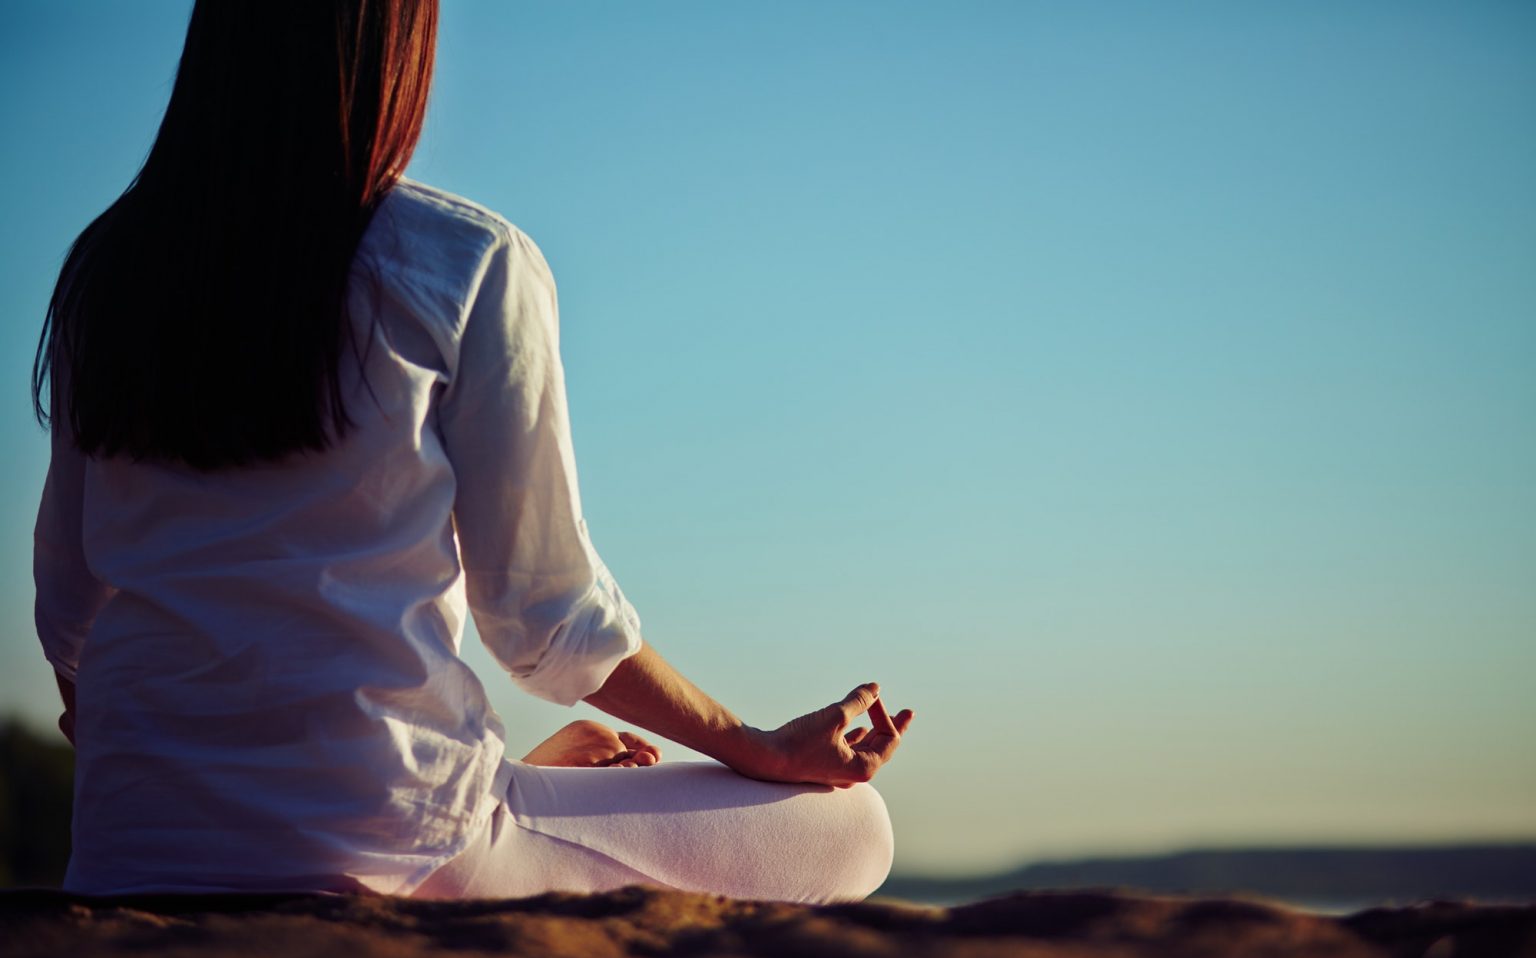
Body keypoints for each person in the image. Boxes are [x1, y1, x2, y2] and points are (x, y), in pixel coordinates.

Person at [30, 0, 912, 904]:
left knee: (507, 793)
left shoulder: (108, 271)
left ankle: (523, 784)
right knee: (855, 829)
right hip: (393, 843)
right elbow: (548, 618)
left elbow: (68, 612)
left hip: (125, 849)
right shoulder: (462, 261)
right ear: (393, 45)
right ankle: (502, 797)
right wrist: (758, 746)